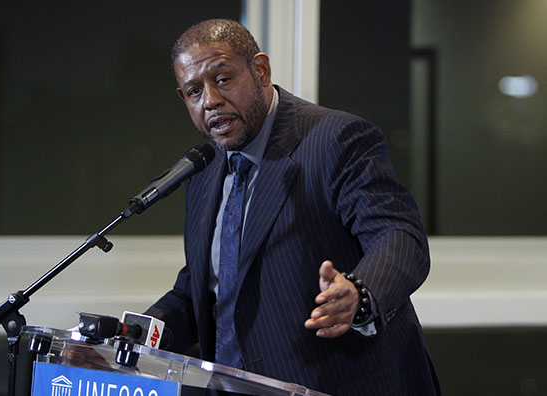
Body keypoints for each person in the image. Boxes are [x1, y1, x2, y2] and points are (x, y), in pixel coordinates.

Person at [145, 19, 440, 395]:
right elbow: (206, 291)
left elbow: (398, 236)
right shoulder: (203, 172)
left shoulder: (336, 139)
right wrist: (137, 332)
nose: (210, 100)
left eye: (222, 79)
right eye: (193, 91)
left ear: (261, 70)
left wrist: (359, 294)